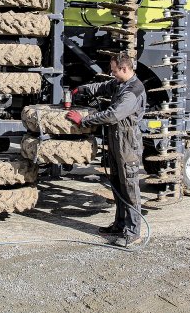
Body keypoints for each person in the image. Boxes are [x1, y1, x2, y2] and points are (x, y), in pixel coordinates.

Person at [66, 53, 146, 247]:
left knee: (129, 188)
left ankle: (133, 232)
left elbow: (113, 115)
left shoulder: (132, 91)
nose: (112, 73)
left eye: (114, 70)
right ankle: (119, 225)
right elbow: (103, 86)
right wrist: (82, 89)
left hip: (127, 144)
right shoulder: (120, 84)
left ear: (125, 69)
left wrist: (83, 120)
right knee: (118, 186)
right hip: (117, 141)